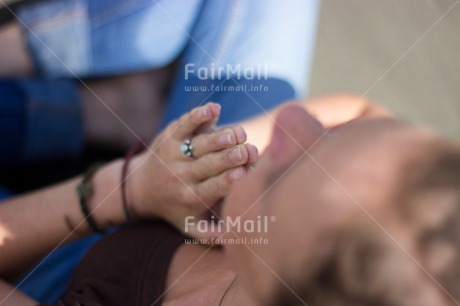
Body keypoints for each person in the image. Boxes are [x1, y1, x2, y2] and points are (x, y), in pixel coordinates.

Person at [1, 95, 459, 305]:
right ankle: (128, 101)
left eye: (288, 172)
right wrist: (198, 157)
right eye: (336, 140)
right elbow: (359, 109)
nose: (296, 119)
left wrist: (130, 187)